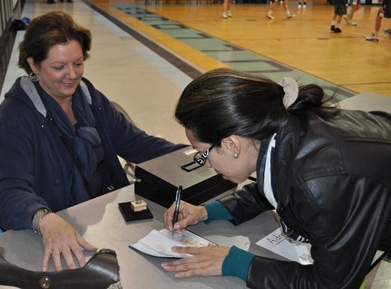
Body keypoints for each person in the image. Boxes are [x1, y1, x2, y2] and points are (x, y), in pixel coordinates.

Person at [0, 11, 184, 272]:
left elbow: (137, 144)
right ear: (34, 65)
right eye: (58, 67)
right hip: (54, 230)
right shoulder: (14, 118)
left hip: (100, 220)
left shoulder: (88, 98)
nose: (72, 75)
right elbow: (7, 192)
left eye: (78, 63)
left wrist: (194, 155)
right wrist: (44, 219)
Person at [161, 68, 391, 288]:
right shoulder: (287, 127)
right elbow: (277, 183)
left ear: (232, 144)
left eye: (203, 154)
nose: (206, 164)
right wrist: (207, 211)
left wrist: (235, 262)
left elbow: (330, 284)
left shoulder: (320, 185)